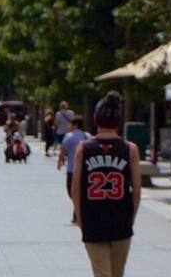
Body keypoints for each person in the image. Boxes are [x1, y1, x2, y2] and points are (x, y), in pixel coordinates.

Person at [74, 92, 140, 277]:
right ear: (118, 121)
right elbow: (136, 190)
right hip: (121, 220)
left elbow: (76, 188)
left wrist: (80, 219)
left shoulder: (84, 148)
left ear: (96, 119)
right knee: (117, 274)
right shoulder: (130, 149)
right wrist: (131, 217)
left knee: (102, 274)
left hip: (93, 220)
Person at [58, 118, 91, 222]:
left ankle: (77, 212)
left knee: (71, 191)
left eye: (70, 124)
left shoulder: (69, 136)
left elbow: (63, 150)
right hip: (86, 170)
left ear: (75, 125)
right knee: (82, 191)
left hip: (72, 169)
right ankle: (79, 210)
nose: (69, 127)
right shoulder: (88, 136)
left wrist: (60, 161)